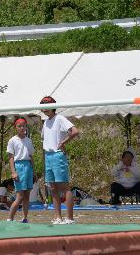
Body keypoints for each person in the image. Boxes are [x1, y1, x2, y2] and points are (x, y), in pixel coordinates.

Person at [40, 96, 79, 225]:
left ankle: (70, 218)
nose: (45, 108)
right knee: (53, 187)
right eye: (43, 105)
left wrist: (63, 142)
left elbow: (74, 131)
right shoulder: (45, 122)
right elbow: (45, 139)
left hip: (57, 155)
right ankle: (57, 217)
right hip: (48, 156)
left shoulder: (60, 118)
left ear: (53, 106)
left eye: (47, 105)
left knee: (64, 186)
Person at [7, 117, 35, 223]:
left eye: (23, 126)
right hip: (19, 166)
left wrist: (34, 172)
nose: (22, 128)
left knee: (27, 195)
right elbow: (11, 157)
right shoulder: (12, 140)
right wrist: (13, 171)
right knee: (20, 196)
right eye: (19, 126)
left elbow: (31, 156)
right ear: (16, 127)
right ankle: (10, 218)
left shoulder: (29, 140)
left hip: (28, 167)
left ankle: (25, 217)